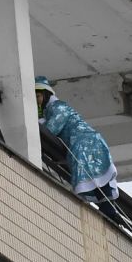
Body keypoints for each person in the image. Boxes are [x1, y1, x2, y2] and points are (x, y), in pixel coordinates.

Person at [37, 76, 122, 207]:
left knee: (93, 178)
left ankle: (109, 208)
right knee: (97, 178)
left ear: (46, 94)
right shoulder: (52, 110)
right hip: (90, 140)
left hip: (84, 142)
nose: (37, 100)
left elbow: (51, 129)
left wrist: (38, 122)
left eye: (38, 96)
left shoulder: (58, 107)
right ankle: (108, 209)